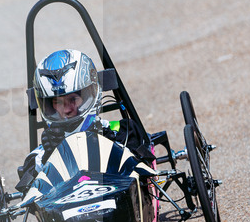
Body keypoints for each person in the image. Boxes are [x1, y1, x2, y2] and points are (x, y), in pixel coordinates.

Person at [15, 48, 153, 192]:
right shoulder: (41, 154)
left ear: (89, 95)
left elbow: (145, 160)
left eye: (72, 99)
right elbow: (27, 188)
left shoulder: (121, 131)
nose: (66, 110)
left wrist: (108, 143)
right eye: (57, 102)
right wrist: (51, 156)